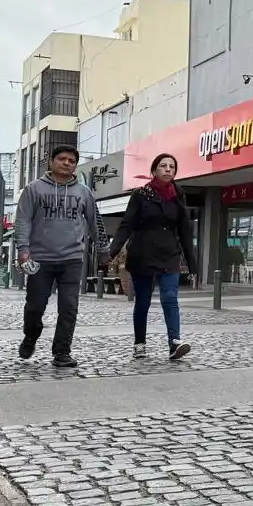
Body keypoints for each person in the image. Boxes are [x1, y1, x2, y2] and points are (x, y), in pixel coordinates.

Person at [13, 145, 107, 368]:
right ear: (51, 162)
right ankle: (31, 335)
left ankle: (62, 352)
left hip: (72, 258)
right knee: (35, 306)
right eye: (62, 159)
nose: (67, 163)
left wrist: (103, 248)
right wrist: (23, 250)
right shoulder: (33, 190)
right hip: (40, 259)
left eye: (71, 160)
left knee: (69, 307)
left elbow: (96, 221)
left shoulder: (84, 192)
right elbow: (23, 220)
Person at [108, 153, 197, 361]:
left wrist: (192, 264)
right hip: (143, 254)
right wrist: (111, 251)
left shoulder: (178, 194)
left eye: (172, 167)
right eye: (163, 166)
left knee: (170, 297)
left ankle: (174, 342)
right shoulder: (141, 195)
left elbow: (185, 230)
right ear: (154, 170)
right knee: (143, 302)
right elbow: (126, 225)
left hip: (169, 255)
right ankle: (140, 343)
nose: (168, 169)